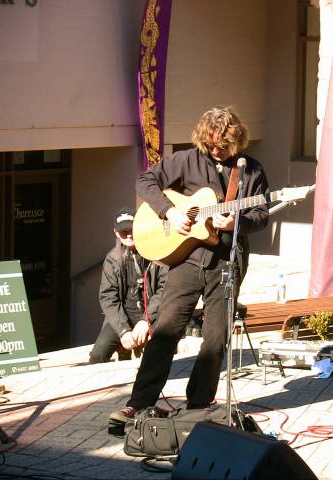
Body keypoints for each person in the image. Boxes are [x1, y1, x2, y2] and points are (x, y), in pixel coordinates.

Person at [110, 106, 269, 424]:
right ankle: (139, 402)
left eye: (222, 145)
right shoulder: (187, 160)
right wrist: (171, 212)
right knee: (167, 329)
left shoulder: (250, 171)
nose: (215, 150)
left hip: (228, 260)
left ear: (235, 141)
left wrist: (233, 221)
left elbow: (261, 215)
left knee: (215, 337)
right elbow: (146, 181)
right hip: (187, 258)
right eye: (210, 143)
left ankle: (199, 404)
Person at [89, 207, 167, 364]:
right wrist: (123, 331)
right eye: (124, 231)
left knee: (160, 353)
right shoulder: (112, 259)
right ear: (116, 233)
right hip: (122, 317)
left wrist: (146, 321)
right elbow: (108, 298)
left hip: (151, 315)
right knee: (98, 355)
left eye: (132, 229)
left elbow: (164, 290)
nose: (129, 235)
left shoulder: (157, 253)